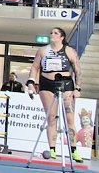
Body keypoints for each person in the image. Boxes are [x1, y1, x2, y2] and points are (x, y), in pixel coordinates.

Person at [28, 27, 84, 163]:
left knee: (69, 118)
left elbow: (78, 70)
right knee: (51, 118)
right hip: (47, 83)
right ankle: (52, 150)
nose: (52, 34)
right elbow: (35, 67)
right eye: (51, 32)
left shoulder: (69, 51)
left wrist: (78, 87)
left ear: (62, 37)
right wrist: (31, 82)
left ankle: (74, 150)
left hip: (65, 84)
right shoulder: (42, 50)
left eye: (56, 33)